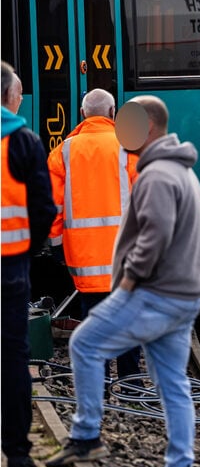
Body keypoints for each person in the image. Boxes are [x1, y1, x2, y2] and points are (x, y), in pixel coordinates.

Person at [44, 96, 200, 467]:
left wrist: (130, 281)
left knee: (84, 343)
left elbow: (154, 236)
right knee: (173, 383)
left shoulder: (154, 174)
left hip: (151, 290)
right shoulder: (180, 169)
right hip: (184, 293)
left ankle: (87, 437)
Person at [47, 88, 142, 383]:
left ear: (82, 114)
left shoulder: (63, 151)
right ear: (113, 113)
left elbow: (53, 205)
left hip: (85, 257)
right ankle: (131, 383)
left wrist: (56, 243)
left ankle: (97, 384)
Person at [1, 62, 56, 467]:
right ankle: (18, 457)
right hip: (10, 268)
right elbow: (44, 209)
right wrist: (27, 248)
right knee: (12, 358)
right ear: (10, 97)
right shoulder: (23, 141)